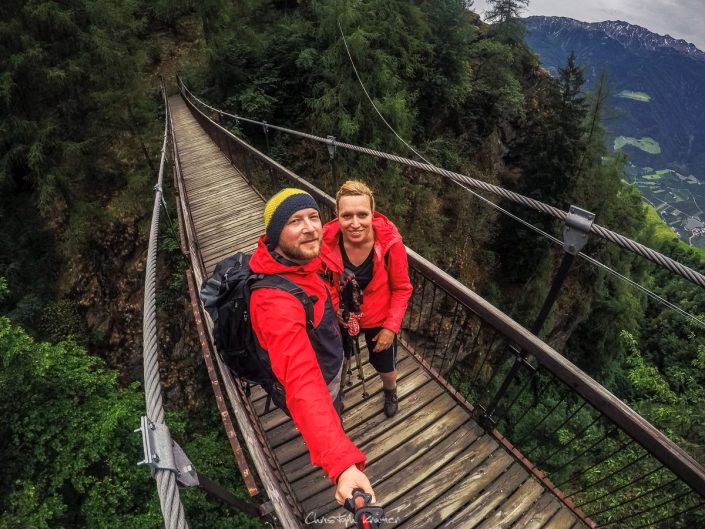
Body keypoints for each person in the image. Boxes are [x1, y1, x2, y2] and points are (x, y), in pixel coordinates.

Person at [248, 188, 375, 505]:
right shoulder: (273, 302)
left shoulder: (300, 260)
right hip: (318, 377)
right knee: (328, 407)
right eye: (295, 220)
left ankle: (334, 421)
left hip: (329, 356)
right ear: (276, 235)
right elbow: (303, 382)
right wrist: (342, 465)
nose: (310, 227)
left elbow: (345, 228)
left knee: (334, 403)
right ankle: (333, 433)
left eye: (314, 217)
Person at [321, 180, 413, 418]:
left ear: (373, 213)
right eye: (346, 215)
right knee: (336, 359)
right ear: (337, 216)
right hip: (342, 317)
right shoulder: (325, 242)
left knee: (385, 364)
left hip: (378, 318)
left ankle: (390, 390)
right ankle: (336, 394)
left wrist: (390, 328)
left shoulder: (391, 246)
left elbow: (402, 288)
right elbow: (324, 280)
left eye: (362, 215)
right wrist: (334, 308)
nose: (355, 223)